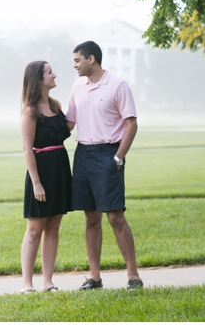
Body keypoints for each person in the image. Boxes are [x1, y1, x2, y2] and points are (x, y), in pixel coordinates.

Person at [66, 40, 143, 290]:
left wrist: (118, 157)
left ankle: (133, 276)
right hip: (83, 155)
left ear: (91, 59)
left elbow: (131, 124)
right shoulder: (78, 87)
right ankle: (95, 277)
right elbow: (69, 124)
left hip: (109, 154)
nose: (74, 65)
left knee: (115, 216)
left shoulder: (118, 85)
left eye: (77, 60)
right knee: (90, 218)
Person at [20, 60, 73, 293]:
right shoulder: (30, 111)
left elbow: (63, 130)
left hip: (60, 168)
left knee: (54, 226)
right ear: (38, 79)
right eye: (50, 72)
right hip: (40, 172)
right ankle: (27, 284)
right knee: (35, 228)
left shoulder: (56, 104)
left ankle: (48, 282)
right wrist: (37, 183)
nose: (55, 75)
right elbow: (27, 149)